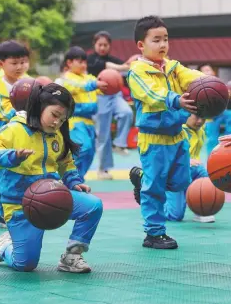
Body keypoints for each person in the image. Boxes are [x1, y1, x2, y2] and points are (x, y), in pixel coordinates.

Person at [0, 83, 103, 273]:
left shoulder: (56, 136)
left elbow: (66, 162)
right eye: (54, 115)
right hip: (20, 206)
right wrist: (12, 156)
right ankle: (3, 247)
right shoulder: (13, 130)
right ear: (39, 107)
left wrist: (74, 182)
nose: (57, 123)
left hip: (51, 199)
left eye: (62, 120)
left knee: (93, 205)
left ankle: (72, 256)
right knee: (26, 265)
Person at [126, 15, 204, 249]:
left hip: (178, 137)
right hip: (154, 140)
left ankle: (142, 179)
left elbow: (192, 77)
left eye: (166, 39)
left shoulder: (172, 67)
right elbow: (151, 94)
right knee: (156, 188)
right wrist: (176, 100)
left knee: (181, 182)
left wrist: (210, 84)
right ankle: (154, 233)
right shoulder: (138, 72)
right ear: (141, 45)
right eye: (156, 40)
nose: (163, 45)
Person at [130, 114, 216, 223]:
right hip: (173, 171)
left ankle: (201, 210)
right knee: (175, 215)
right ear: (186, 113)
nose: (200, 121)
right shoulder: (175, 130)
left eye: (203, 118)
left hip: (189, 171)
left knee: (202, 172)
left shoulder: (200, 130)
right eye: (197, 117)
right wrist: (185, 160)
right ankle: (144, 181)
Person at [0, 40, 30, 228]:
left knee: (17, 171)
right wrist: (26, 113)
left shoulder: (27, 80)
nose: (20, 67)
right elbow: (4, 112)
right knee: (8, 170)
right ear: (1, 64)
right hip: (1, 133)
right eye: (14, 63)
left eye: (23, 62)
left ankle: (1, 213)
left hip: (21, 129)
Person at [87, 31, 134, 179]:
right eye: (99, 45)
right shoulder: (91, 60)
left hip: (115, 96)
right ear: (94, 45)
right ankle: (103, 169)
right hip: (99, 98)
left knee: (127, 113)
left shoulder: (114, 60)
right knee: (103, 135)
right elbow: (105, 65)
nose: (102, 47)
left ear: (109, 46)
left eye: (105, 45)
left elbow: (127, 68)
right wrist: (122, 67)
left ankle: (119, 143)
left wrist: (132, 65)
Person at [61, 46, 108, 178]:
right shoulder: (65, 79)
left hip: (89, 122)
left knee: (90, 152)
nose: (83, 65)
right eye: (79, 61)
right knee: (82, 148)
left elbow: (101, 87)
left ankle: (77, 181)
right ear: (69, 63)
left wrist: (109, 84)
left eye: (84, 62)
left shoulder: (89, 78)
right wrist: (94, 85)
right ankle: (67, 178)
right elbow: (77, 87)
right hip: (74, 121)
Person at [198, 63, 231, 154]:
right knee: (212, 139)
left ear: (214, 72)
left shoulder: (219, 84)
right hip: (209, 115)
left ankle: (228, 138)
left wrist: (228, 94)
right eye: (204, 70)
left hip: (221, 112)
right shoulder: (199, 85)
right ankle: (211, 158)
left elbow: (225, 98)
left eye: (208, 70)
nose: (207, 72)